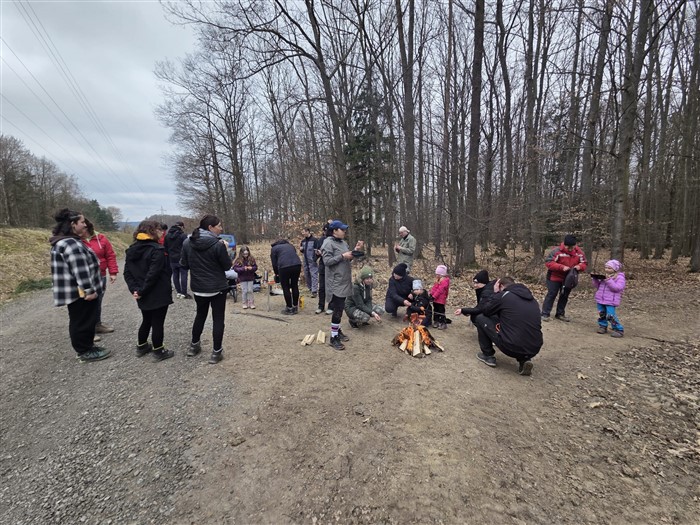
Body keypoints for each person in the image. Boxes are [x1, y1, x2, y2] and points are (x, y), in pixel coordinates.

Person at [49, 208, 109, 363]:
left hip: (76, 292)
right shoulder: (71, 244)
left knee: (83, 319)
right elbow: (80, 270)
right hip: (80, 293)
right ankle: (84, 351)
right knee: (82, 321)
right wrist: (89, 290)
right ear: (72, 224)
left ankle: (88, 347)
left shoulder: (65, 241)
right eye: (82, 222)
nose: (85, 225)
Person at [180, 215, 232, 364]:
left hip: (198, 287)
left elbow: (184, 264)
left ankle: (194, 346)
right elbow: (227, 266)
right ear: (210, 227)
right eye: (219, 226)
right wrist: (226, 250)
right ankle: (216, 352)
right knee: (218, 319)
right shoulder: (218, 244)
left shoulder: (187, 242)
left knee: (200, 315)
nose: (221, 228)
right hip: (217, 287)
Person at [123, 221, 174, 361]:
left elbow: (127, 273)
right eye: (159, 229)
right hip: (157, 292)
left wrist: (135, 290)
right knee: (157, 322)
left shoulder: (132, 249)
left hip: (141, 293)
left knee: (146, 319)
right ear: (152, 231)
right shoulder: (157, 250)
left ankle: (142, 346)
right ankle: (159, 350)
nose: (162, 232)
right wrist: (141, 291)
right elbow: (153, 274)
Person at [472, 276, 543, 376]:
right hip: (534, 347)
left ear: (500, 286)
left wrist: (495, 293)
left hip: (510, 346)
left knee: (480, 318)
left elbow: (486, 310)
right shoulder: (533, 300)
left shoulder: (504, 296)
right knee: (520, 327)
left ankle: (488, 355)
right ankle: (524, 360)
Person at [321, 219, 365, 350]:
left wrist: (355, 250)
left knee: (339, 308)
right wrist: (342, 256)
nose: (344, 231)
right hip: (335, 282)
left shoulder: (343, 243)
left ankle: (337, 330)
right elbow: (327, 261)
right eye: (342, 229)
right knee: (338, 309)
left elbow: (346, 258)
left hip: (345, 280)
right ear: (334, 231)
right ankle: (333, 337)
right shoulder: (327, 243)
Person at [81, 218, 118, 334]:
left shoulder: (101, 238)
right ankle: (87, 330)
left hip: (100, 276)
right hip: (83, 277)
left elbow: (110, 255)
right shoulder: (75, 240)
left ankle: (97, 325)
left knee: (98, 301)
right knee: (84, 303)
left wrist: (113, 272)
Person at [541, 234, 587, 322]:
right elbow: (549, 262)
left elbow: (584, 263)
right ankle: (545, 313)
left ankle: (560, 313)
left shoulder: (579, 253)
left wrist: (579, 267)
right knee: (552, 294)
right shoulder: (556, 251)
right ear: (564, 244)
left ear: (575, 245)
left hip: (569, 277)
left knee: (564, 295)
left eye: (572, 247)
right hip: (554, 276)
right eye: (567, 247)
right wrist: (561, 267)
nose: (569, 249)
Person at [592, 259, 626, 338]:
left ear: (615, 269)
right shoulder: (604, 276)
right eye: (606, 267)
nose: (607, 269)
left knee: (610, 315)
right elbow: (597, 286)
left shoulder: (620, 278)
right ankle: (603, 326)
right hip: (601, 299)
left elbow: (617, 288)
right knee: (602, 314)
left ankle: (618, 329)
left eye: (609, 268)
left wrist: (609, 280)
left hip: (611, 300)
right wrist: (595, 279)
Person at [271, 237, 303, 315]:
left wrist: (277, 274)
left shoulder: (274, 248)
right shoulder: (290, 245)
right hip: (297, 264)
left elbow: (274, 263)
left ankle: (289, 308)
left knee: (285, 287)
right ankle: (295, 306)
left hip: (284, 266)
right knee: (294, 285)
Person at [164, 221, 191, 299]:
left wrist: (170, 254)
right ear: (181, 227)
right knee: (184, 275)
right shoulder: (183, 235)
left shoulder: (167, 236)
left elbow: (165, 248)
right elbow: (187, 247)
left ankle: (178, 292)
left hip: (172, 259)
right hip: (182, 258)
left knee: (175, 275)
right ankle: (184, 293)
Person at [314, 220, 333, 315]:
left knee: (330, 287)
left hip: (331, 267)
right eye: (324, 230)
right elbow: (316, 253)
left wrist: (325, 254)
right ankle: (320, 306)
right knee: (322, 288)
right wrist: (317, 254)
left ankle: (331, 306)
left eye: (327, 230)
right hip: (322, 266)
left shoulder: (334, 240)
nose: (325, 232)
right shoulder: (321, 240)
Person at [300, 227, 319, 297]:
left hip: (312, 260)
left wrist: (315, 258)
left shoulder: (314, 240)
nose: (303, 233)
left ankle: (314, 291)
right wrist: (301, 250)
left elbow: (317, 250)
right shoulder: (303, 241)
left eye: (304, 232)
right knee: (306, 274)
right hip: (305, 260)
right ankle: (310, 288)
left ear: (308, 232)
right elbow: (302, 250)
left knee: (314, 274)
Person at [430, 264, 450, 329]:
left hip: (441, 300)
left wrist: (434, 296)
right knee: (435, 310)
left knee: (441, 311)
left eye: (437, 274)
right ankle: (436, 321)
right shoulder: (437, 280)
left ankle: (443, 323)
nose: (436, 276)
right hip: (436, 299)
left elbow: (439, 290)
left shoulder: (445, 281)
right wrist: (431, 294)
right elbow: (434, 288)